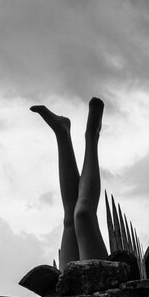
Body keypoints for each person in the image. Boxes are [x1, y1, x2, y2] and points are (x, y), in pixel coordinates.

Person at [31, 97, 108, 269]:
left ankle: (62, 132)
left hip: (69, 291)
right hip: (96, 284)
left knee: (70, 218)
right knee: (83, 215)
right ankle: (92, 135)